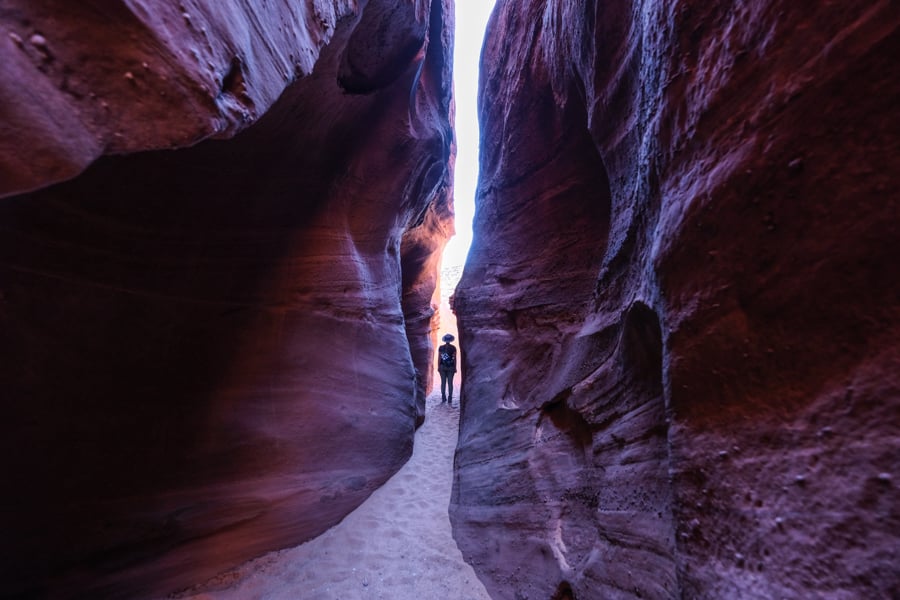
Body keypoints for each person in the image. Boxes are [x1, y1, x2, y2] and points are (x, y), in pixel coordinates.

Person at [437, 333, 457, 406]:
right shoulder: (453, 348)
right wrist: (455, 367)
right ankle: (450, 398)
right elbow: (454, 358)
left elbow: (439, 358)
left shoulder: (441, 347)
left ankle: (443, 397)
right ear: (451, 340)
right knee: (450, 383)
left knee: (443, 382)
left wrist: (438, 366)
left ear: (444, 340)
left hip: (442, 366)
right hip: (451, 367)